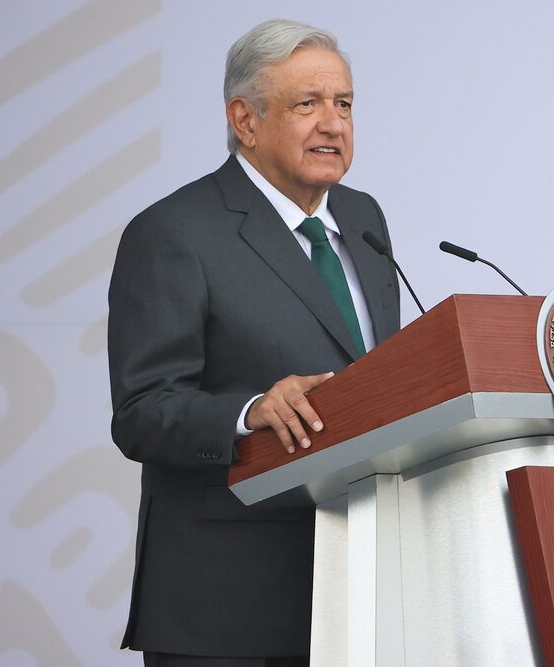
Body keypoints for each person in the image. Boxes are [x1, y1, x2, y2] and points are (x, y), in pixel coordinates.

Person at [107, 19, 401, 666]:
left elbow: (383, 382)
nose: (333, 123)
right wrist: (250, 412)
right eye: (308, 104)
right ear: (245, 119)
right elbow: (141, 412)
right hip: (224, 610)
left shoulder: (364, 219)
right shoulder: (174, 233)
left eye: (344, 104)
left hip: (353, 598)